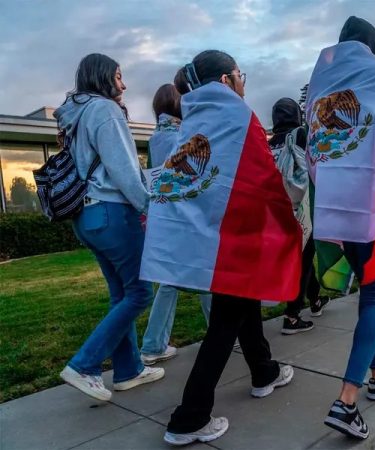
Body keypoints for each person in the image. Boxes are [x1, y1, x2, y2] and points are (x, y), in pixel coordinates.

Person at [141, 50, 302, 445]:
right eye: (239, 74)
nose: (243, 82)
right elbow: (261, 176)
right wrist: (286, 215)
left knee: (242, 301)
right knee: (225, 321)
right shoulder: (236, 115)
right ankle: (189, 416)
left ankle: (263, 370)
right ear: (227, 80)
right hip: (233, 236)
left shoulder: (193, 119)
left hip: (212, 234)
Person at [306, 17, 375, 439]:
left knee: (370, 293)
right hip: (373, 209)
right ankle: (347, 400)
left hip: (336, 208)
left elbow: (314, 149)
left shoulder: (320, 85)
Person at [57, 53, 163, 401]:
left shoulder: (73, 115)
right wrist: (148, 205)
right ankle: (84, 365)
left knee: (122, 294)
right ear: (103, 77)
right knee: (140, 293)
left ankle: (128, 370)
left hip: (86, 217)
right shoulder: (104, 110)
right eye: (118, 76)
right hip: (112, 213)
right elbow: (123, 169)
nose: (124, 84)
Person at [140, 83, 212, 365]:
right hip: (186, 211)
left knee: (170, 280)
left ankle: (153, 344)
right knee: (204, 273)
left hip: (164, 213)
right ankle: (220, 332)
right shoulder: (181, 135)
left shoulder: (155, 138)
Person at [268, 97, 330, 335]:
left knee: (305, 254)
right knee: (304, 259)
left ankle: (315, 300)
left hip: (278, 210)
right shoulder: (300, 134)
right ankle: (292, 316)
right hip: (301, 208)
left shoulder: (271, 143)